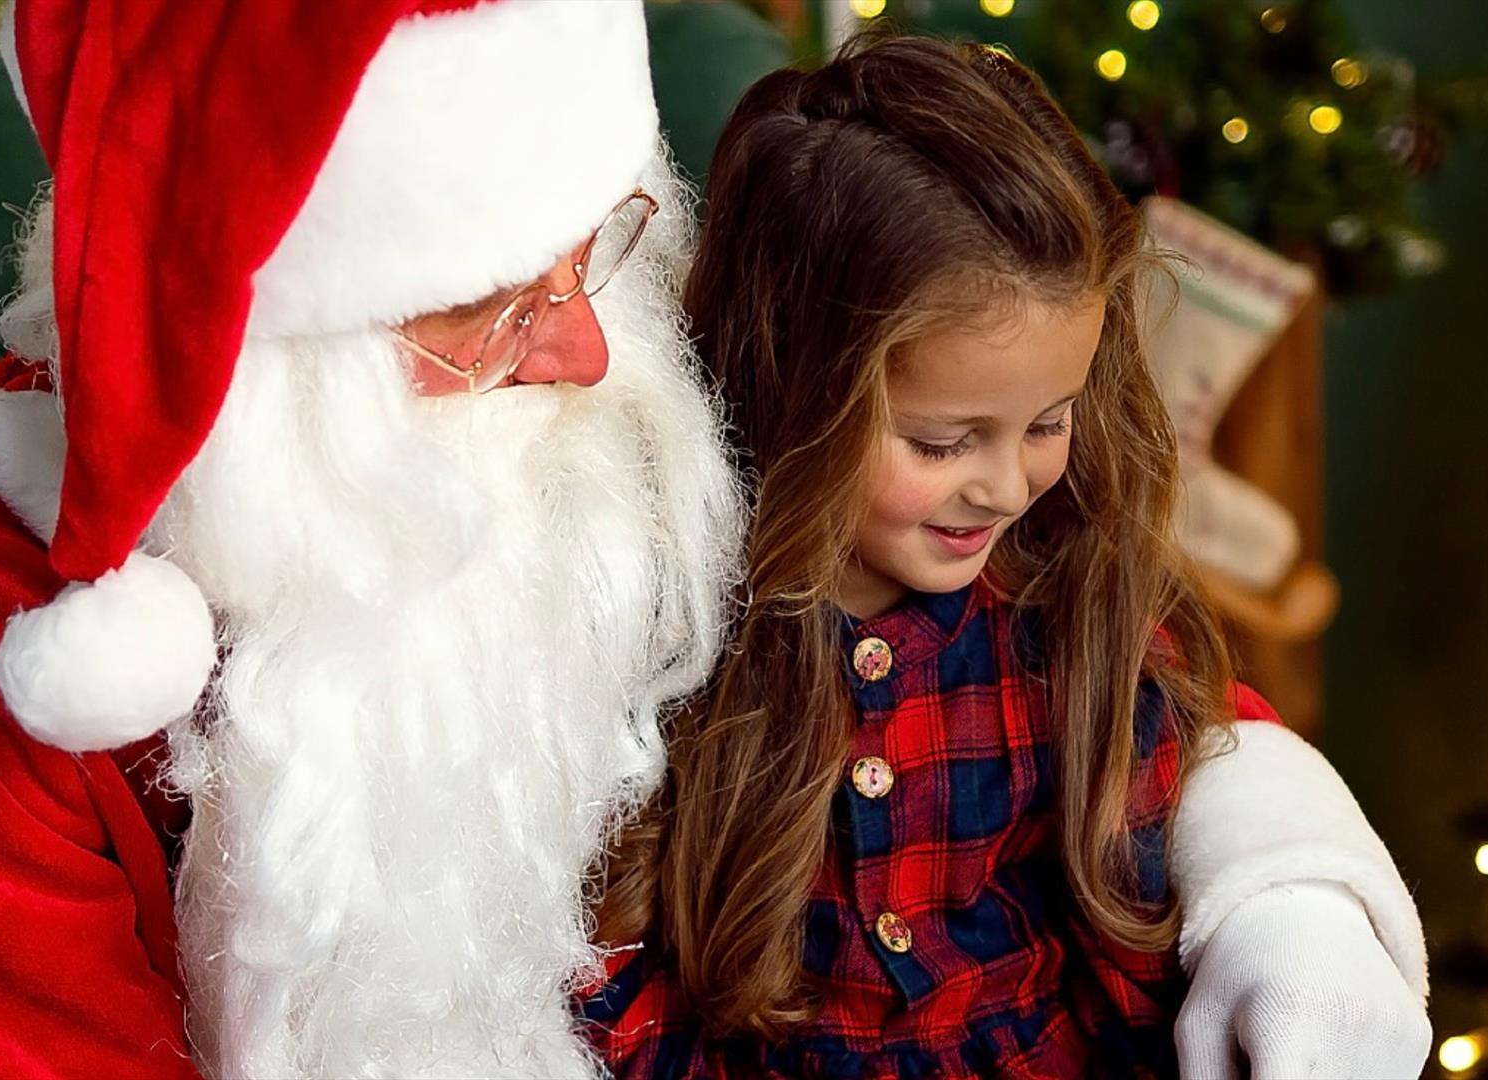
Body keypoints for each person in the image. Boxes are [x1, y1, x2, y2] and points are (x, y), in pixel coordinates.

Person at [0, 1, 745, 1076]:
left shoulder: (548, 460)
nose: (586, 355)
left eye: (595, 244)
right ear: (251, 355)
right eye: (491, 311)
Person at [582, 35, 1432, 1079]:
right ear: (793, 387)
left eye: (1049, 421)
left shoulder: (1066, 613)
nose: (1005, 485)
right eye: (943, 443)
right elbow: (611, 973)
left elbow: (1135, 941)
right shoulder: (674, 640)